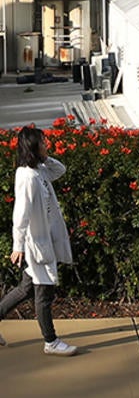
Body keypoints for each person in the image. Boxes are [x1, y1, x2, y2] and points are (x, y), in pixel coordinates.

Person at [0, 126, 77, 356]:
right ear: (33, 147)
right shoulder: (27, 177)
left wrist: (45, 158)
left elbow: (60, 170)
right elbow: (20, 214)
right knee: (44, 292)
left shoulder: (40, 170)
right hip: (36, 245)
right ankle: (50, 341)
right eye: (43, 143)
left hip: (46, 240)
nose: (47, 145)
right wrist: (18, 246)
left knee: (26, 288)